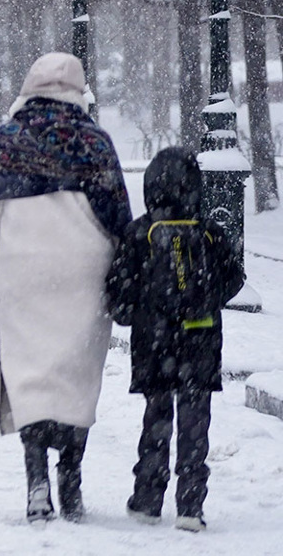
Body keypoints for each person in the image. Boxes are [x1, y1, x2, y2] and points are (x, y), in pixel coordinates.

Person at [0, 52, 130, 524]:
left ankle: (37, 481)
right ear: (78, 90)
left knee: (29, 373)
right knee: (78, 375)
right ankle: (71, 479)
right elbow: (119, 216)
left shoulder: (6, 140)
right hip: (85, 270)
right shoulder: (94, 141)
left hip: (23, 272)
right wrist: (125, 275)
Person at [108, 147, 244, 532]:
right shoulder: (209, 234)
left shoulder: (139, 233)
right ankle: (190, 504)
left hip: (155, 345)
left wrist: (141, 315)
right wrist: (206, 303)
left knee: (157, 418)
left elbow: (119, 294)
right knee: (195, 423)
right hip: (200, 343)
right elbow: (233, 280)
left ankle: (148, 498)